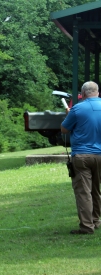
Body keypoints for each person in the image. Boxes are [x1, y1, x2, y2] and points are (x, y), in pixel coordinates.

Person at [61, 81, 101, 234]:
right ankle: (96, 221)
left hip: (82, 155)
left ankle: (86, 226)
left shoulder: (77, 109)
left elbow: (64, 129)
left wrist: (69, 115)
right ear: (97, 92)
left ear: (83, 94)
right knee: (96, 190)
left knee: (83, 191)